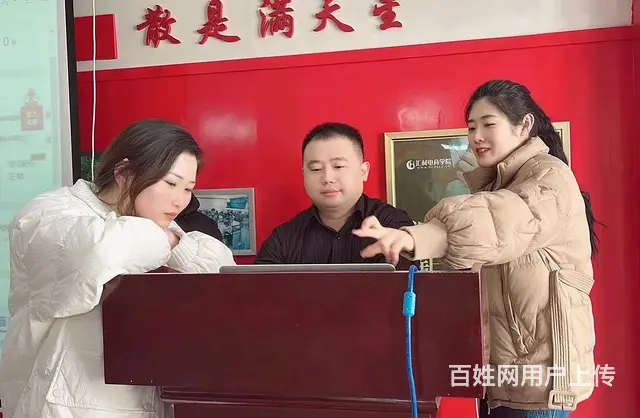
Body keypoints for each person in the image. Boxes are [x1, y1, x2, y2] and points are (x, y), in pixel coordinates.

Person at [352, 80, 598, 417]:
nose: (476, 137)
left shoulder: (549, 177)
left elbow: (498, 220)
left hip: (538, 387)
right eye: (471, 127)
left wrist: (417, 237)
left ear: (524, 125)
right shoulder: (499, 184)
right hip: (506, 380)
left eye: (488, 124)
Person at [0, 119, 236, 418]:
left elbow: (222, 271)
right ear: (124, 173)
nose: (180, 200)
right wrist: (167, 239)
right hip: (64, 405)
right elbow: (97, 253)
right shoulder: (51, 212)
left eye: (188, 188)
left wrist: (175, 242)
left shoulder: (150, 224)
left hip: (142, 400)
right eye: (170, 183)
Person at [255, 122, 416, 268]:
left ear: (363, 171)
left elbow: (409, 285)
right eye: (316, 169)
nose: (327, 178)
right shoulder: (284, 239)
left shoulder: (392, 224)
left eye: (338, 166)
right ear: (304, 174)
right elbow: (258, 288)